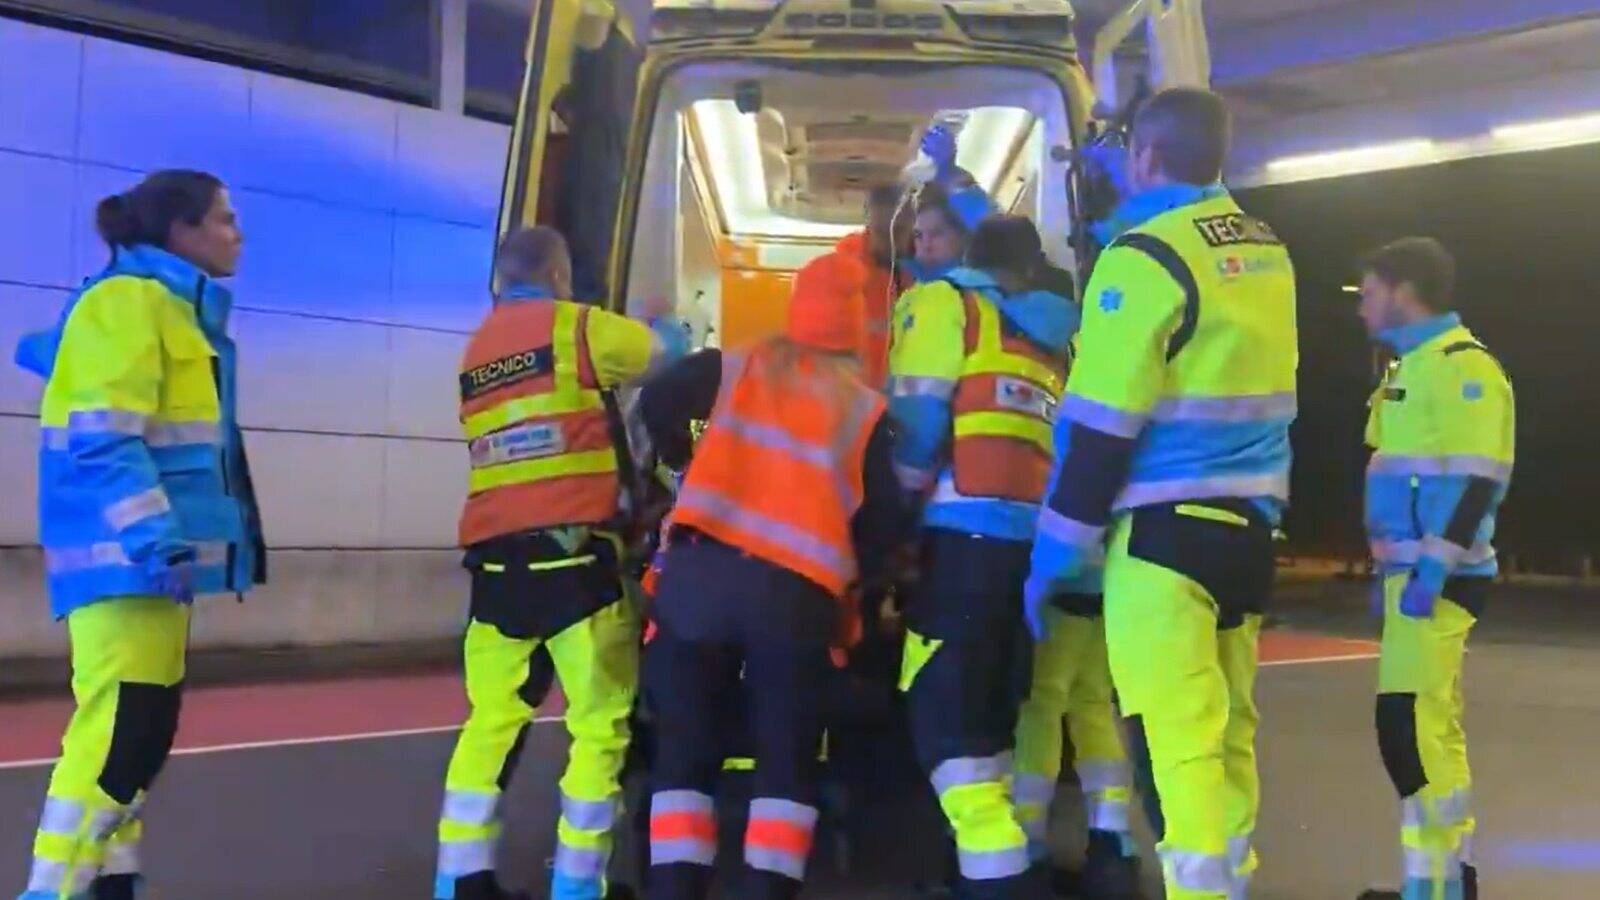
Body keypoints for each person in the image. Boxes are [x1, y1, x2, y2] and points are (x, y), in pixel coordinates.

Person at [1024, 87, 1297, 900]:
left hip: (1163, 537)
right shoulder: (1263, 247)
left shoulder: (1141, 259)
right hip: (1250, 532)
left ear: (1144, 156)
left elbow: (1101, 430)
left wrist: (1052, 560)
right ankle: (1229, 884)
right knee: (1229, 735)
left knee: (1170, 746)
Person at [13, 170, 266, 900]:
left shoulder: (164, 307)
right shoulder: (130, 303)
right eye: (223, 219)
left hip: (147, 562)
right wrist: (155, 537)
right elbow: (102, 438)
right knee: (118, 741)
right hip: (130, 559)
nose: (236, 233)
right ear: (180, 232)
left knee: (134, 743)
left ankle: (109, 890)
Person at [640, 253, 908, 899]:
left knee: (684, 756)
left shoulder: (734, 365)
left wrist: (686, 461)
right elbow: (885, 527)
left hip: (695, 585)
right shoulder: (865, 409)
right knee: (784, 764)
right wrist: (857, 583)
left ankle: (676, 889)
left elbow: (654, 400)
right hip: (793, 603)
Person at [435, 225, 687, 900]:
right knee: (600, 726)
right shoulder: (577, 328)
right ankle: (578, 888)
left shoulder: (476, 351)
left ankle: (460, 881)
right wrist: (666, 319)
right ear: (558, 275)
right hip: (576, 564)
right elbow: (667, 354)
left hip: (494, 567)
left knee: (490, 723)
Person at [889, 215, 1079, 898]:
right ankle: (979, 871)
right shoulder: (1050, 335)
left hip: (958, 543)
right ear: (1029, 270)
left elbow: (916, 418)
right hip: (1027, 554)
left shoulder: (947, 305)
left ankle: (998, 879)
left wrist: (892, 522)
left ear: (971, 257)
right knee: (991, 724)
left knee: (945, 732)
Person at [1352, 239, 1512, 900]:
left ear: (1403, 288)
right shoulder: (1408, 368)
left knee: (1410, 732)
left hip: (1436, 580)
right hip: (1411, 578)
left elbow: (1479, 480)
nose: (1361, 308)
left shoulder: (1463, 368)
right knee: (1429, 728)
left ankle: (1438, 887)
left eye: (1367, 293)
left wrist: (1431, 573)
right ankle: (1448, 880)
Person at [832, 184, 914, 389]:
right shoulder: (842, 275)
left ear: (913, 225)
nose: (890, 240)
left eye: (898, 230)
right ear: (867, 225)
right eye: (881, 231)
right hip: (857, 399)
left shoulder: (933, 275)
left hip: (912, 405)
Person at [903, 182, 997, 285]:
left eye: (936, 234)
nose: (926, 245)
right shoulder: (899, 275)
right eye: (918, 235)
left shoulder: (978, 288)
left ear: (964, 238)